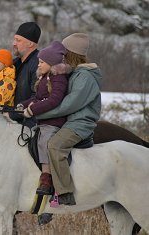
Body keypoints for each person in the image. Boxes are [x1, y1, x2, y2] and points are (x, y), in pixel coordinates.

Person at [36, 33, 102, 205]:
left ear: (71, 54)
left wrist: (38, 114)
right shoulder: (73, 73)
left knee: (55, 146)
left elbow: (69, 105)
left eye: (64, 53)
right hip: (69, 120)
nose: (61, 56)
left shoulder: (85, 77)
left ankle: (64, 193)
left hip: (80, 123)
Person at [17, 41, 71, 195]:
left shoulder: (58, 78)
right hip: (42, 121)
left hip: (54, 122)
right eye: (39, 62)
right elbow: (38, 98)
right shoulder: (44, 78)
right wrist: (23, 105)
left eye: (41, 62)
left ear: (51, 63)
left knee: (44, 142)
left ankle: (46, 177)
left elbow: (54, 100)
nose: (38, 65)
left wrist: (32, 110)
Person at [10, 22, 41, 127]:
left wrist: (12, 114)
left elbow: (37, 97)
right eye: (14, 39)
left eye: (18, 40)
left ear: (30, 44)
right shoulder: (13, 64)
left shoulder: (38, 64)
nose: (14, 43)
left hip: (28, 125)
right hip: (9, 122)